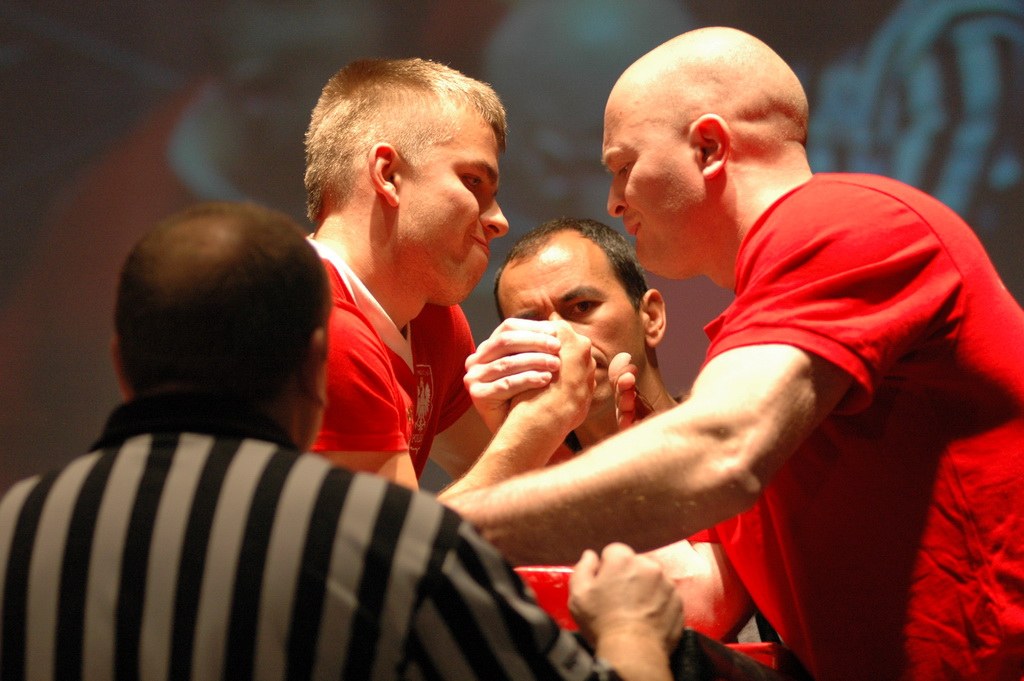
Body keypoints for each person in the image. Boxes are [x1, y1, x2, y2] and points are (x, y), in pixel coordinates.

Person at [444, 26, 1024, 680]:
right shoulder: (759, 334)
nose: (614, 200)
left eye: (624, 166)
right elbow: (700, 597)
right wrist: (537, 435)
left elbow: (718, 450)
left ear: (709, 147)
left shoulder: (842, 221)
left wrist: (431, 535)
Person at [0, 201, 685, 681]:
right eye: (474, 181)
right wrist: (630, 627)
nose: (559, 337)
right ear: (314, 368)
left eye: (580, 308)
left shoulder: (14, 528)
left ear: (120, 364)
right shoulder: (372, 538)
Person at [302, 57, 595, 491]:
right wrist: (537, 426)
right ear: (388, 175)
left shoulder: (432, 320)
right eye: (474, 181)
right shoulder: (318, 326)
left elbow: (519, 492)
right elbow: (398, 534)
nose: (499, 221)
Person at [475, 217, 757, 641]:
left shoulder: (730, 434)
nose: (562, 339)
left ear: (651, 317)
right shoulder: (524, 479)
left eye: (581, 308)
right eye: (533, 324)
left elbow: (704, 611)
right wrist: (521, 438)